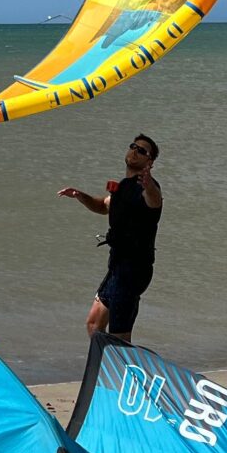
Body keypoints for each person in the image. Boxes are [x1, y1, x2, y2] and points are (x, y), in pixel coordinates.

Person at [59, 134, 163, 342]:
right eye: (133, 146)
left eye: (142, 150)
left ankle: (125, 372)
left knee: (120, 338)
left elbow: (154, 200)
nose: (135, 151)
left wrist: (149, 184)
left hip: (133, 271)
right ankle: (106, 367)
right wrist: (80, 196)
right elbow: (103, 206)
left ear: (149, 162)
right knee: (94, 324)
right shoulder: (123, 187)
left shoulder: (147, 188)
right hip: (117, 267)